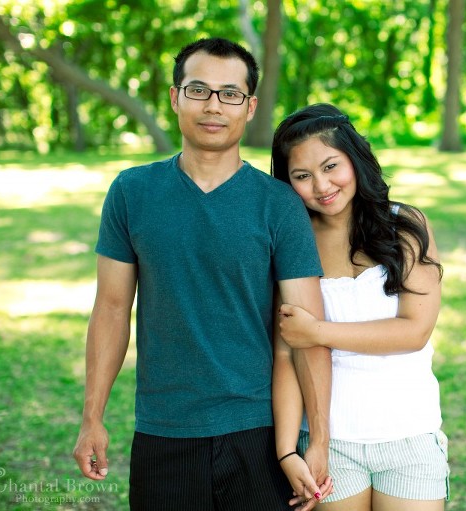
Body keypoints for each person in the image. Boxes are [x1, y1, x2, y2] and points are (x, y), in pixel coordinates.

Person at [72, 38, 333, 511]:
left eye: (230, 93)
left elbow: (304, 330)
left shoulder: (279, 204)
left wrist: (314, 438)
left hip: (259, 430)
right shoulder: (132, 192)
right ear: (175, 98)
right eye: (199, 90)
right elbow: (111, 308)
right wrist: (92, 416)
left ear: (250, 106)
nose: (214, 105)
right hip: (164, 429)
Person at [270, 103, 449, 511]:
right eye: (302, 176)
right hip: (331, 444)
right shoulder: (294, 242)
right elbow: (286, 354)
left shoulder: (405, 226)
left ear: (355, 159)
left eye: (331, 166)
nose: (321, 185)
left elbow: (413, 331)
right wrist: (289, 451)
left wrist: (318, 332)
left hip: (410, 436)